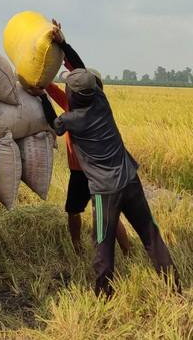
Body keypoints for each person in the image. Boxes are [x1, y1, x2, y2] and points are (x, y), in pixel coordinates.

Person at [37, 27, 180, 297]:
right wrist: (64, 45)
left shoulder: (71, 119)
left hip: (105, 191)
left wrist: (40, 95)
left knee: (102, 244)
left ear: (73, 96)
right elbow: (81, 70)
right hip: (131, 179)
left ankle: (104, 296)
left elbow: (52, 122)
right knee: (151, 235)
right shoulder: (101, 101)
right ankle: (175, 287)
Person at [44, 22, 130, 256]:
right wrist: (43, 82)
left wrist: (41, 94)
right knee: (80, 210)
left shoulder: (87, 105)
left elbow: (56, 124)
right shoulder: (81, 102)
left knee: (92, 212)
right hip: (87, 170)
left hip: (89, 170)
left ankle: (121, 250)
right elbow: (53, 87)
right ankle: (87, 248)